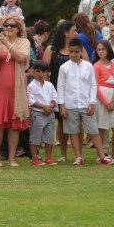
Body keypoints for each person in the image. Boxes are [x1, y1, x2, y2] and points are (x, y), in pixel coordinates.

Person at [0, 17, 30, 167]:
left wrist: (5, 42)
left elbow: (22, 58)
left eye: (12, 26)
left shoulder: (24, 42)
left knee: (14, 125)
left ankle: (11, 158)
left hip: (17, 89)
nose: (8, 28)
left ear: (18, 28)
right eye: (5, 25)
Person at [57, 39, 98, 166]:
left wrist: (92, 102)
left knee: (93, 130)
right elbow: (61, 87)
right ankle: (78, 157)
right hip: (70, 104)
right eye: (71, 52)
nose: (74, 54)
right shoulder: (64, 67)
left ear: (81, 51)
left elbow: (93, 85)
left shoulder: (88, 66)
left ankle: (102, 156)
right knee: (73, 131)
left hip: (86, 104)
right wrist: (62, 106)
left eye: (76, 52)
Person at [43, 20, 77, 162]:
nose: (76, 33)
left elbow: (87, 64)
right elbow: (44, 70)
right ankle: (63, 154)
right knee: (61, 122)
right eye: (74, 30)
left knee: (76, 121)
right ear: (65, 32)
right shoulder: (52, 49)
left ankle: (78, 153)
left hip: (75, 90)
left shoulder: (77, 48)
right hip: (56, 89)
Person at [27, 62, 58, 166]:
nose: (40, 74)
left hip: (50, 114)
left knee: (50, 137)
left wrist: (51, 106)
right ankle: (35, 158)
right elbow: (30, 101)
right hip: (37, 114)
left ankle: (48, 158)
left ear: (47, 73)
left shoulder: (49, 85)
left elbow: (55, 97)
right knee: (35, 137)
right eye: (38, 71)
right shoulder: (31, 86)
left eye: (43, 72)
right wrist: (44, 107)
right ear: (33, 72)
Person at [92, 40, 114, 164]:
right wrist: (106, 103)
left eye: (103, 49)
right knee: (101, 127)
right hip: (101, 99)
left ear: (108, 50)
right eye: (98, 50)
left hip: (113, 97)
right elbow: (95, 86)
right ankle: (101, 154)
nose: (100, 52)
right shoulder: (96, 66)